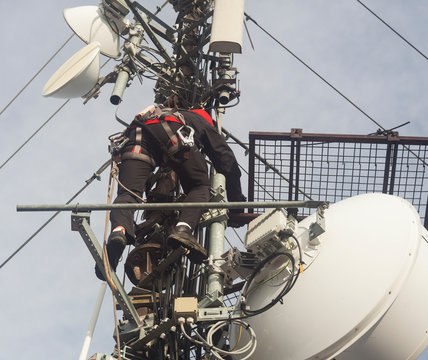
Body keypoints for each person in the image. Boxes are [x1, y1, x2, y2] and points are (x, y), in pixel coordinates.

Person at [95, 104, 245, 280]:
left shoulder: (154, 113)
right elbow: (225, 158)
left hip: (135, 138)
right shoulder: (199, 119)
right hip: (174, 135)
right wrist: (237, 202)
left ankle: (119, 231)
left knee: (128, 194)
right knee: (200, 187)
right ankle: (183, 229)